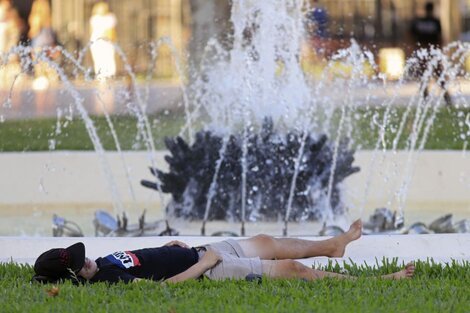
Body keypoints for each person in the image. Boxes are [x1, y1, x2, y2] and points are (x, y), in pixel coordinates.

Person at [32, 219, 415, 284]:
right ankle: (383, 279)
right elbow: (160, 290)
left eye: (84, 255)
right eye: (83, 264)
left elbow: (141, 259)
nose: (90, 261)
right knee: (292, 269)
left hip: (200, 250)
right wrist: (205, 264)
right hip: (211, 265)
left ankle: (333, 245)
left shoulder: (102, 266)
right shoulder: (110, 280)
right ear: (77, 276)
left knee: (267, 242)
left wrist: (165, 248)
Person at [410, 1, 452, 106]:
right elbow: (440, 37)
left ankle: (428, 98)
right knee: (436, 76)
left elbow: (411, 35)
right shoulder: (433, 21)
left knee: (429, 76)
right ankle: (444, 98)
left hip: (425, 51)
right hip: (430, 51)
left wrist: (415, 48)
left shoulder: (422, 22)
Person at [89, 1, 117, 81]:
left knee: (107, 58)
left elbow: (111, 31)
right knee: (100, 59)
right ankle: (102, 77)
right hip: (98, 41)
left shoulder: (109, 17)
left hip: (105, 41)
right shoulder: (95, 18)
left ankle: (108, 76)